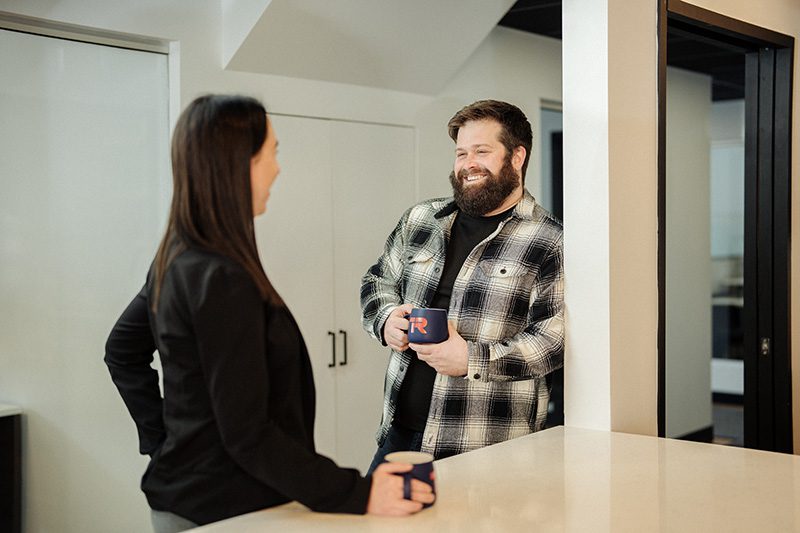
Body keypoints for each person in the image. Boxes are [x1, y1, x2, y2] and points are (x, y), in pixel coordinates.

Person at [104, 94, 433, 532]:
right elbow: (248, 434)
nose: (277, 167)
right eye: (270, 153)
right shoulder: (219, 277)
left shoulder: (179, 256)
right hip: (221, 508)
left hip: (190, 497)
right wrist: (360, 492)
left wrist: (166, 443)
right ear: (238, 163)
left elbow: (121, 350)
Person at [361, 100, 564, 469]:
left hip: (491, 450)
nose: (468, 163)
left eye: (482, 151)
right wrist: (387, 319)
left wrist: (471, 359)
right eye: (461, 153)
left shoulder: (550, 240)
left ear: (517, 157)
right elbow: (378, 280)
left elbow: (553, 341)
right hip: (400, 437)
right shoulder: (420, 219)